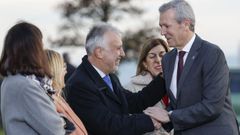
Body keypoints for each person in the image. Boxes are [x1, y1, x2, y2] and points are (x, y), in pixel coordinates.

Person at [144, 1, 240, 135]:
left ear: (185, 24)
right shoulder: (168, 59)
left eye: (166, 26)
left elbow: (212, 106)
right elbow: (180, 103)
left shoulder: (212, 53)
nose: (162, 32)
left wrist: (170, 116)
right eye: (161, 26)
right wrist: (157, 117)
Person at [65, 23, 167, 135]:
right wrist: (148, 121)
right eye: (118, 48)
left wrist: (164, 77)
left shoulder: (109, 77)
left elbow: (134, 102)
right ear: (99, 52)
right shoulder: (79, 85)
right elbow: (108, 125)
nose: (122, 54)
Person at [0, 22, 65, 135]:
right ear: (33, 50)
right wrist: (64, 121)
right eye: (41, 45)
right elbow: (56, 130)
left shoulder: (10, 80)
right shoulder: (25, 86)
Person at [125, 38, 170, 135]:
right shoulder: (131, 89)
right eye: (152, 56)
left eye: (162, 55)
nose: (158, 60)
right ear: (145, 64)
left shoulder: (178, 87)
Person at [45, 49, 88, 135]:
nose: (66, 70)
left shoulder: (59, 98)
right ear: (55, 70)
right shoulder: (50, 104)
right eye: (63, 66)